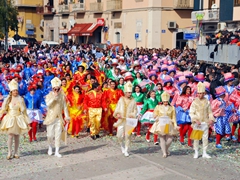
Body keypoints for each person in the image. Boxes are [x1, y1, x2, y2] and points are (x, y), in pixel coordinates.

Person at [0, 79, 30, 160]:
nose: (15, 92)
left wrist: (26, 119)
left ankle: (16, 152)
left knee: (17, 136)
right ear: (11, 91)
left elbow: (24, 110)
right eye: (14, 91)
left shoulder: (20, 99)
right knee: (10, 136)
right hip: (10, 118)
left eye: (16, 90)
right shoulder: (8, 99)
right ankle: (9, 152)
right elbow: (3, 109)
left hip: (18, 118)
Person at [43, 77, 70, 158]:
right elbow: (48, 104)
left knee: (58, 134)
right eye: (55, 89)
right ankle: (50, 147)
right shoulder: (49, 95)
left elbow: (64, 107)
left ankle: (57, 151)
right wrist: (54, 98)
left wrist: (67, 116)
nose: (57, 91)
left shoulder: (62, 96)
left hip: (59, 118)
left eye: (58, 89)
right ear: (52, 89)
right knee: (50, 135)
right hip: (50, 117)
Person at [189, 82, 215, 159]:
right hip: (197, 122)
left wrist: (211, 119)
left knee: (205, 138)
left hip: (205, 122)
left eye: (201, 93)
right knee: (196, 138)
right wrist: (194, 120)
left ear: (204, 93)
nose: (199, 95)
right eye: (198, 93)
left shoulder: (207, 101)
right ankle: (196, 152)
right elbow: (191, 112)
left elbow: (210, 112)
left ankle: (204, 152)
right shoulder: (195, 102)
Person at [113, 81, 137, 157]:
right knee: (119, 135)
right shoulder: (121, 99)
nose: (130, 94)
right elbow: (117, 108)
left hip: (129, 121)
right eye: (128, 92)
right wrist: (118, 114)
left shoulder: (133, 100)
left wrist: (132, 115)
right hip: (121, 120)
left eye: (130, 92)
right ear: (125, 92)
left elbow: (135, 110)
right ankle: (122, 146)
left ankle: (126, 149)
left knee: (128, 135)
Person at [151, 91, 179, 158]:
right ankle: (164, 152)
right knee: (162, 137)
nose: (165, 103)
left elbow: (174, 117)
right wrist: (156, 116)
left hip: (168, 124)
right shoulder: (158, 107)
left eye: (166, 101)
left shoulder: (172, 108)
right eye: (164, 102)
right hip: (161, 123)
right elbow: (155, 114)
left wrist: (175, 125)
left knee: (170, 138)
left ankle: (165, 149)